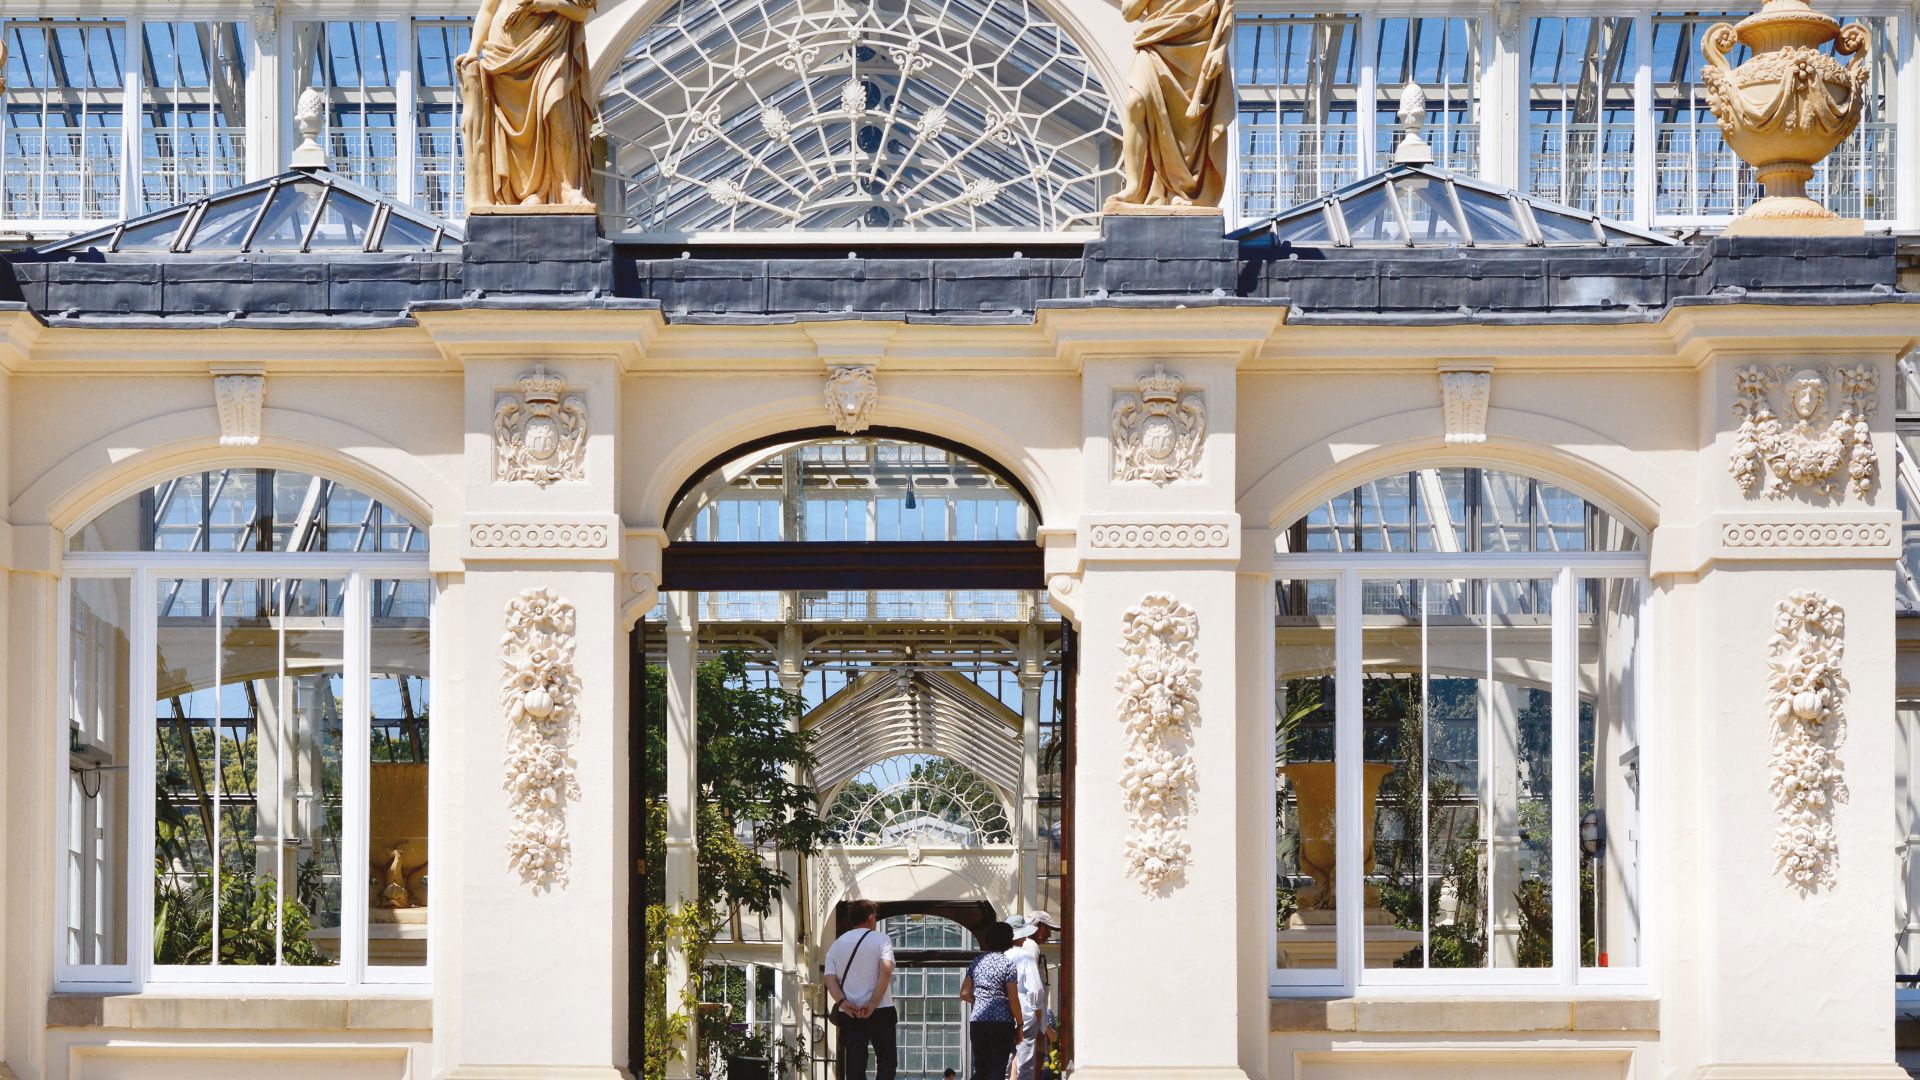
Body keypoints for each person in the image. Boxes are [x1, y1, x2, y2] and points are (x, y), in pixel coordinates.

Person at [824, 899, 897, 1080]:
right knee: (886, 1060)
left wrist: (843, 1002)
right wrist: (872, 1003)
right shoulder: (882, 939)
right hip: (880, 1009)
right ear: (871, 918)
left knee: (855, 1063)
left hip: (850, 1012)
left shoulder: (837, 944)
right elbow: (885, 972)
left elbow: (829, 978)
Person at [958, 920, 1021, 1080]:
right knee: (997, 1068)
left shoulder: (977, 962)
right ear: (1008, 940)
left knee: (981, 1067)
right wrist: (1019, 1024)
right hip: (1002, 1022)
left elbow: (964, 993)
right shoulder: (1008, 965)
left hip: (978, 1021)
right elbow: (1013, 998)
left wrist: (979, 1001)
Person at [1007, 911, 1060, 1080]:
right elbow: (1034, 987)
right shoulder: (1030, 946)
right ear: (1037, 927)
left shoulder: (1018, 948)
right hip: (1029, 1013)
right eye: (1047, 928)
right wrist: (1039, 1015)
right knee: (1025, 1059)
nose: (1049, 934)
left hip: (1022, 1011)